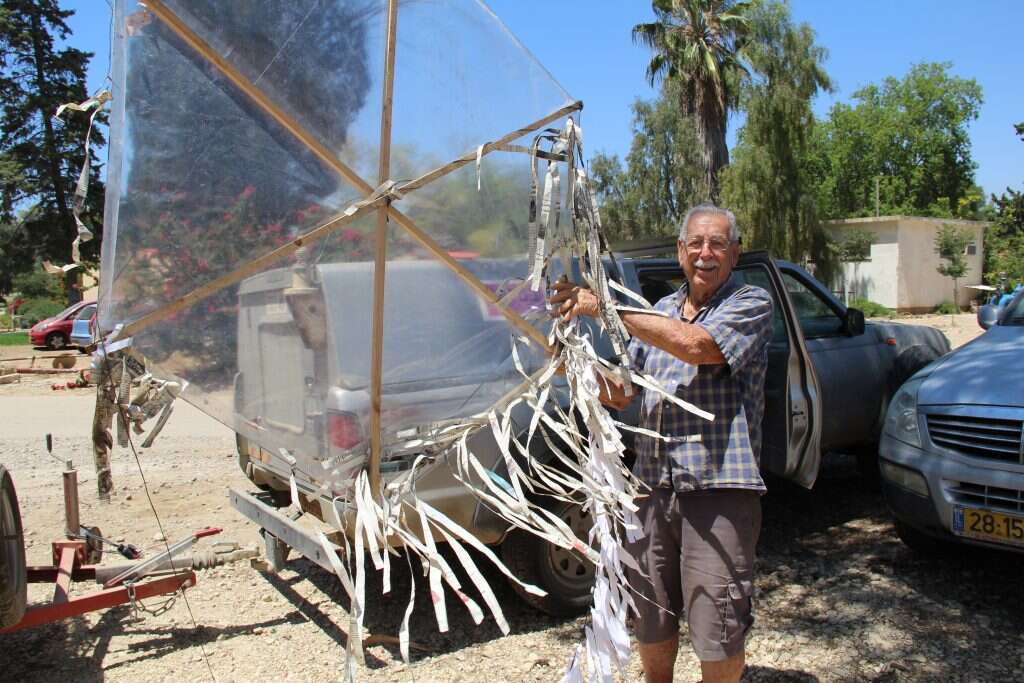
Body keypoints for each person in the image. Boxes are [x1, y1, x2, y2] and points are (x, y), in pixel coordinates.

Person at [549, 203, 773, 683]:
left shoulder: (750, 302)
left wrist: (605, 306)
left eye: (717, 244)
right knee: (651, 616)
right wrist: (572, 365)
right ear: (680, 251)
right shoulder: (661, 312)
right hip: (652, 491)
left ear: (735, 253)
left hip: (718, 491)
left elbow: (698, 347)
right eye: (695, 243)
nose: (705, 253)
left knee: (718, 624)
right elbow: (624, 393)